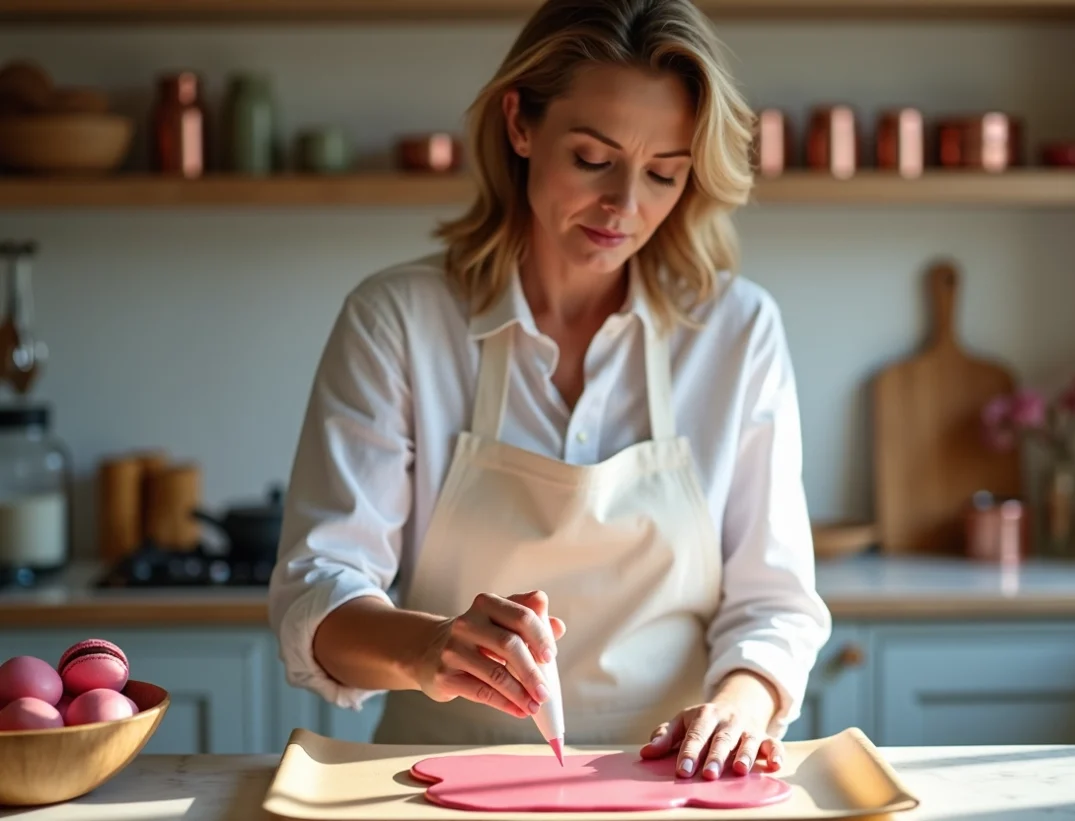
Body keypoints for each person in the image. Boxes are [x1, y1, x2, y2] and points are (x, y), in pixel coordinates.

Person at [268, 0, 831, 781]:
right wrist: (428, 648)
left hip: (673, 782)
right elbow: (317, 592)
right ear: (521, 125)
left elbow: (776, 602)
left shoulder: (737, 331)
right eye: (594, 159)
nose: (626, 206)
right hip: (429, 779)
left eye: (664, 172)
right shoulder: (397, 320)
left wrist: (738, 707)